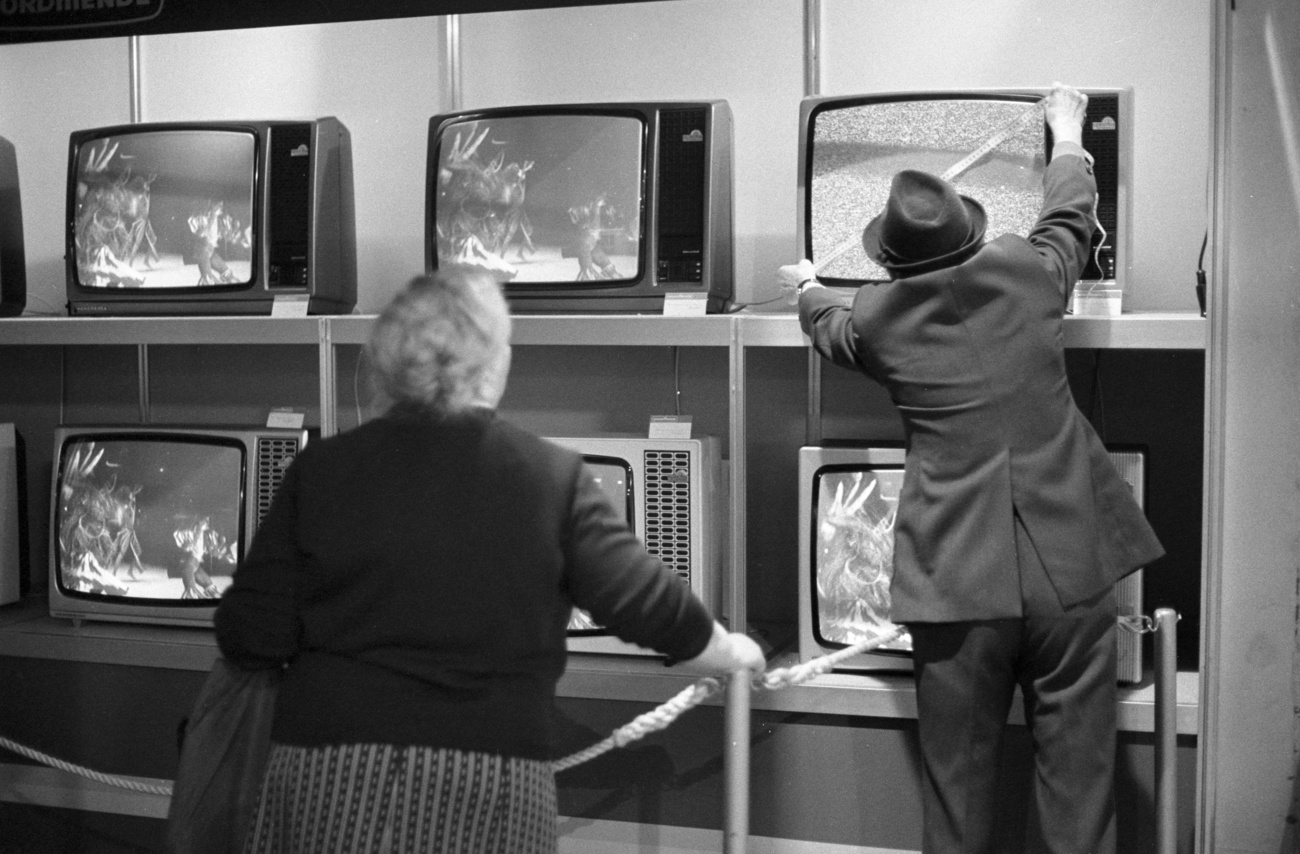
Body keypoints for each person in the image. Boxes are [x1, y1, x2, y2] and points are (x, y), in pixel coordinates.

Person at [214, 266, 765, 854]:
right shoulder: (550, 479)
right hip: (489, 781)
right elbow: (655, 610)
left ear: (386, 366)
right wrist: (733, 651)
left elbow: (249, 633)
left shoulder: (320, 472)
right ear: (495, 365)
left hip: (325, 777)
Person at [778, 82, 1164, 854]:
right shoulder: (1028, 272)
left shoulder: (879, 320)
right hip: (1071, 566)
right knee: (1080, 794)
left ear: (890, 261)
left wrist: (809, 285)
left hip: (959, 583)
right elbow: (1069, 219)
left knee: (957, 798)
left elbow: (830, 327)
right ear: (972, 236)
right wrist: (1066, 129)